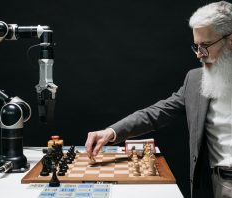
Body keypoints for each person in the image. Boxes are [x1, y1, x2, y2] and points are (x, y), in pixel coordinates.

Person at [85, 1, 232, 198]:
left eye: (205, 46)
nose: (199, 55)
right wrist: (110, 132)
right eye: (196, 46)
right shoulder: (196, 79)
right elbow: (158, 113)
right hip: (215, 184)